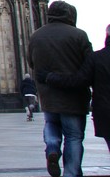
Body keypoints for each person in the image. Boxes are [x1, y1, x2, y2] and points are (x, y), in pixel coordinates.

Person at [29, 1, 93, 177]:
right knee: (73, 137)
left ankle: (52, 148)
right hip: (73, 97)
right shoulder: (79, 35)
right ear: (69, 15)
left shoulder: (36, 36)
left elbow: (31, 62)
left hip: (48, 96)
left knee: (51, 124)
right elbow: (90, 66)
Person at [45, 24, 110, 152]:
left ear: (107, 35)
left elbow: (79, 80)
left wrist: (51, 77)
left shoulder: (97, 58)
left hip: (106, 111)